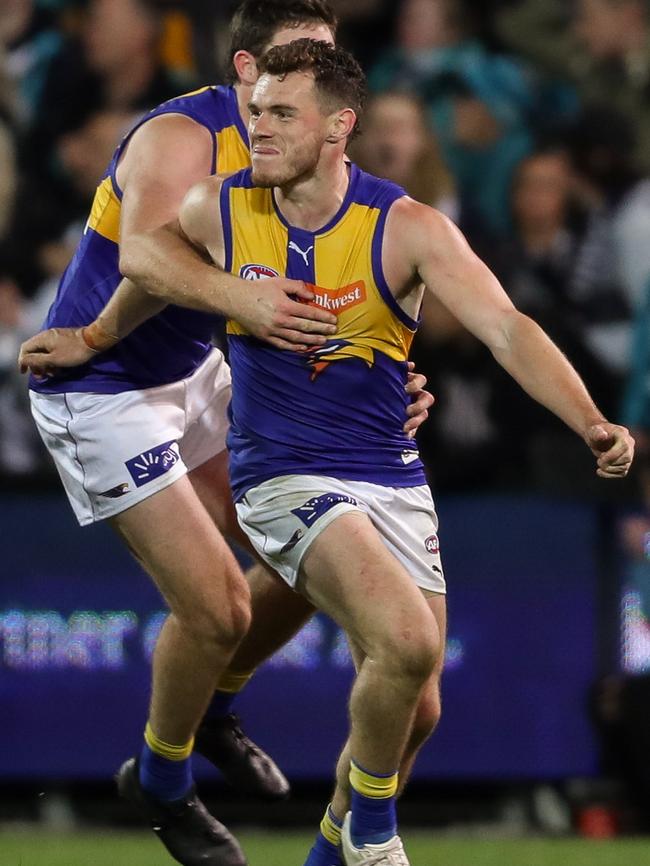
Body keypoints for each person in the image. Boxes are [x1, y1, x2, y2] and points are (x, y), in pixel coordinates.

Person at [26, 39, 634, 866]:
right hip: (283, 477)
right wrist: (94, 334)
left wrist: (592, 421)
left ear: (338, 126)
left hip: (390, 473)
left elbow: (505, 329)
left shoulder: (406, 225)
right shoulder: (220, 206)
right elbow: (151, 264)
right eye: (258, 107)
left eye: (282, 114)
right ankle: (373, 837)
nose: (259, 126)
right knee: (408, 640)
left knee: (418, 708)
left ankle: (328, 848)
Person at [17, 5, 434, 866]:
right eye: (292, 59)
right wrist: (228, 305)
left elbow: (362, 279)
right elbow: (147, 258)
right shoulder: (182, 136)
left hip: (205, 371)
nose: (311, 78)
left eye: (324, 59)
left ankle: (213, 704)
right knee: (217, 608)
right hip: (103, 388)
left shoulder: (304, 147)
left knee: (310, 547)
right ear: (246, 66)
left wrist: (386, 379)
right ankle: (163, 782)